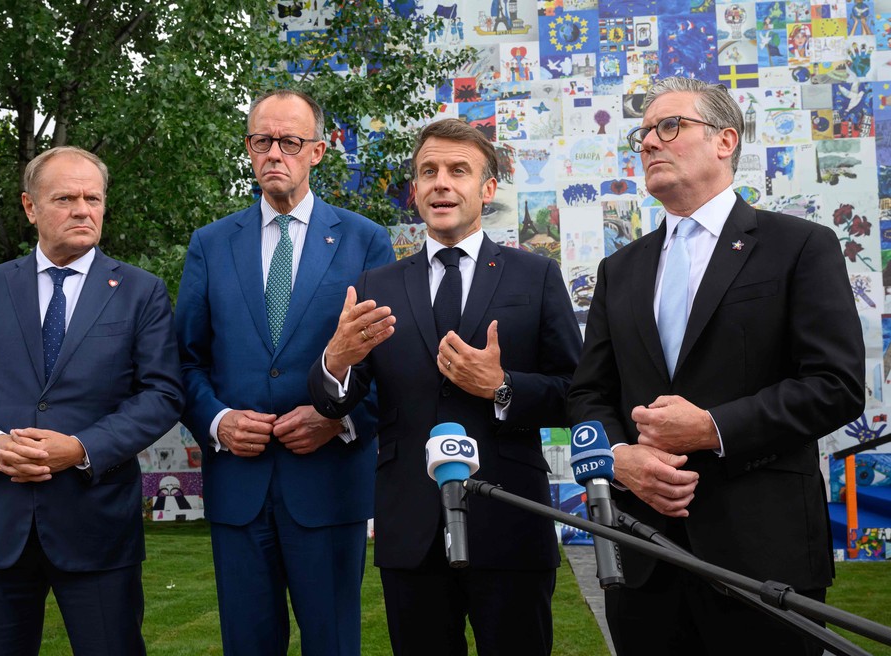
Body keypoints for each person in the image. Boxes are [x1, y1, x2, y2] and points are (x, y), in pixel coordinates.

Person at [567, 77, 865, 655]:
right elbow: (588, 395)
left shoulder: (799, 246)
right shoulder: (620, 269)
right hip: (644, 554)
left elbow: (836, 385)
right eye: (644, 133)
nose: (650, 142)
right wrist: (616, 457)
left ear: (725, 140)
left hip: (763, 556)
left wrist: (713, 428)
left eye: (669, 126)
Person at [309, 117, 583, 655]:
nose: (441, 183)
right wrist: (335, 359)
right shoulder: (376, 285)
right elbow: (334, 399)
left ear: (487, 188)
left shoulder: (536, 276)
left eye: (459, 170)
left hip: (510, 520)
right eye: (428, 171)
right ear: (414, 191)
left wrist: (502, 386)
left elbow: (577, 392)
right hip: (410, 527)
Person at [0, 146, 184, 655]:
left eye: (93, 198)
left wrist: (82, 448)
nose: (83, 210)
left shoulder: (141, 291)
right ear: (30, 207)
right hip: (3, 529)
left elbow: (162, 393)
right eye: (65, 198)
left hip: (99, 529)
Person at [174, 89, 394, 656]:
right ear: (249, 150)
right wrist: (218, 421)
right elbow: (185, 359)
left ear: (317, 151)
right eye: (261, 141)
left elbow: (384, 364)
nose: (275, 153)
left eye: (289, 141)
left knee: (334, 643)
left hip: (328, 486)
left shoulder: (365, 240)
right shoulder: (210, 244)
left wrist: (337, 421)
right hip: (238, 490)